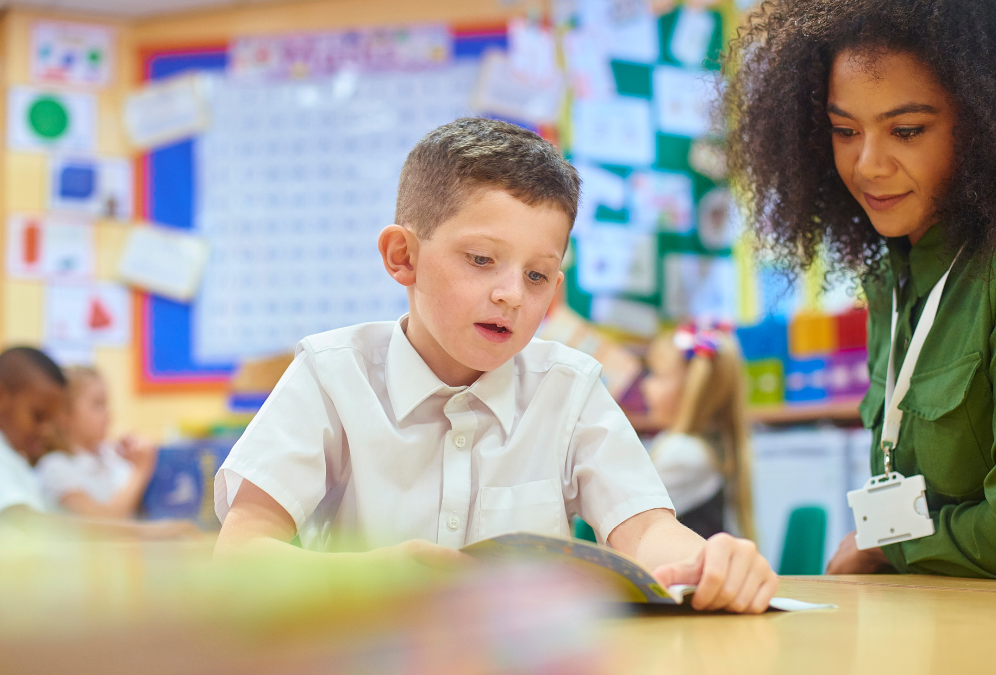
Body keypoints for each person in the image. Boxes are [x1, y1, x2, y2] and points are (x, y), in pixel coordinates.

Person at [214, 118, 778, 614]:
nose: (511, 294)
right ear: (402, 256)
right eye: (482, 260)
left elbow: (647, 531)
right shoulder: (330, 376)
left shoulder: (570, 388)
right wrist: (374, 577)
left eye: (536, 276)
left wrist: (708, 565)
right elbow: (240, 556)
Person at [721, 0, 996, 579]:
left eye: (906, 130)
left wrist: (886, 546)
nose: (868, 164)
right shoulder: (891, 271)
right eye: (844, 130)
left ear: (992, 120)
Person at [0, 347, 195, 550]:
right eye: (38, 416)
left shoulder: (12, 459)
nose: (45, 429)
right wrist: (148, 532)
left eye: (50, 420)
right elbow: (34, 525)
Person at [640, 324, 755, 541]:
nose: (646, 386)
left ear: (690, 388)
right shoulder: (696, 446)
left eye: (656, 375)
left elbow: (626, 513)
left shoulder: (683, 454)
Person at [37, 366, 159, 518]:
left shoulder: (111, 457)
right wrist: (141, 470)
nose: (108, 413)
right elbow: (104, 524)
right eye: (98, 404)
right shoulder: (55, 467)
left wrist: (133, 461)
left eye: (106, 404)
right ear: (65, 416)